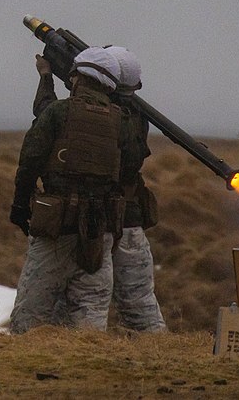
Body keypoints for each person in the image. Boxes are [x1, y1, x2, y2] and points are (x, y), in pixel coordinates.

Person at [33, 46, 166, 332]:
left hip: (91, 224)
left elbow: (47, 115)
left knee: (70, 302)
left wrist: (46, 78)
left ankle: (73, 357)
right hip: (126, 221)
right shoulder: (134, 117)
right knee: (139, 305)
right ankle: (157, 356)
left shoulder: (100, 117)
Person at [9, 47, 126, 334]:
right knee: (90, 316)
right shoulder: (119, 119)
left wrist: (20, 206)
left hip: (56, 229)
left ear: (77, 78)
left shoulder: (59, 112)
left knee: (30, 316)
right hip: (99, 231)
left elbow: (30, 161)